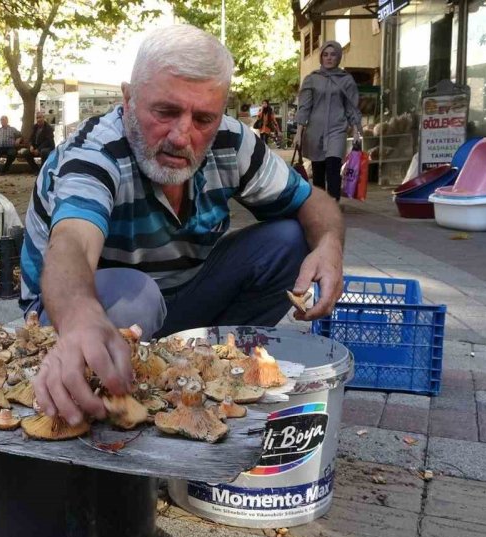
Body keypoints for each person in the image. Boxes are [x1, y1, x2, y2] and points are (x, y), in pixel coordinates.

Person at [21, 24, 345, 427]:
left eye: (204, 118)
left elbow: (314, 201)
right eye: (165, 111)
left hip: (177, 300)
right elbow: (71, 242)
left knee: (291, 240)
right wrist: (79, 316)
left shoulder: (232, 142)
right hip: (77, 311)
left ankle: (201, 365)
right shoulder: (95, 152)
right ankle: (97, 380)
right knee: (136, 294)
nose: (182, 136)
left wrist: (329, 243)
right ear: (127, 99)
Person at [293, 41, 364, 201]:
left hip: (337, 128)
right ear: (321, 57)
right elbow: (304, 107)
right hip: (315, 130)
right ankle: (320, 203)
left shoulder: (346, 80)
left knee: (333, 164)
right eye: (325, 54)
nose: (329, 58)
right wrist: (299, 132)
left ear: (339, 57)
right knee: (318, 169)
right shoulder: (312, 79)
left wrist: (356, 131)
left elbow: (351, 107)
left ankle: (333, 202)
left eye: (333, 55)